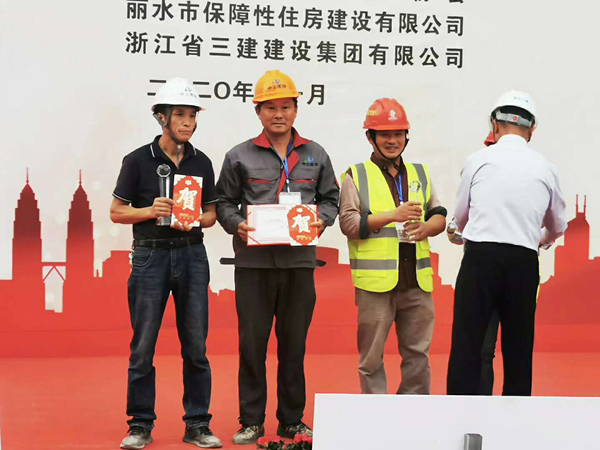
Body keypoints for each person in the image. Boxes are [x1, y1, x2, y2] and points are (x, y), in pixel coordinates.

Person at [215, 70, 339, 444]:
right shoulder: (238, 155)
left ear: (296, 110)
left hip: (299, 265)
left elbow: (331, 199)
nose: (279, 114)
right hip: (253, 265)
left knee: (293, 346)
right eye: (270, 108)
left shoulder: (316, 154)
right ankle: (251, 420)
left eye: (286, 106)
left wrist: (321, 221)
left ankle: (291, 420)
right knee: (252, 346)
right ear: (258, 112)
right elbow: (223, 202)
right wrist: (236, 224)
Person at [111, 78, 222, 449]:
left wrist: (196, 219)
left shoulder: (202, 161)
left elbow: (211, 215)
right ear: (161, 117)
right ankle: (140, 425)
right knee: (143, 345)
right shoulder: (137, 160)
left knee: (196, 346)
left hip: (192, 253)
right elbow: (116, 211)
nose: (188, 122)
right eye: (179, 115)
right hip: (150, 255)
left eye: (192, 115)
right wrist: (149, 210)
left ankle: (198, 424)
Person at [447, 90, 568, 396]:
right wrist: (540, 239)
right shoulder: (546, 168)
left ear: (494, 124)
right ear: (532, 128)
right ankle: (516, 418)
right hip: (523, 262)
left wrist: (459, 230)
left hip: (480, 260)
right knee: (518, 349)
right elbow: (558, 224)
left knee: (467, 346)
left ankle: (459, 415)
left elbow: (460, 216)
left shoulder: (478, 160)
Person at [338, 98, 447, 395]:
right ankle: (376, 414)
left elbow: (438, 214)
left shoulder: (420, 173)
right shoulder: (355, 175)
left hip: (417, 282)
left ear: (406, 136)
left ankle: (412, 411)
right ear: (370, 137)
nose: (392, 141)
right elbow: (349, 224)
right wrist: (392, 216)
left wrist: (427, 228)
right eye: (384, 134)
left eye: (398, 134)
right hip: (375, 285)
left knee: (418, 355)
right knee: (371, 358)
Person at [447, 132, 500, 396]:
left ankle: (504, 410)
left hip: (515, 279)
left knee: (500, 351)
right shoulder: (477, 180)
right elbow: (454, 229)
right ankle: (473, 407)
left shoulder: (527, 184)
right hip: (480, 275)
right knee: (480, 350)